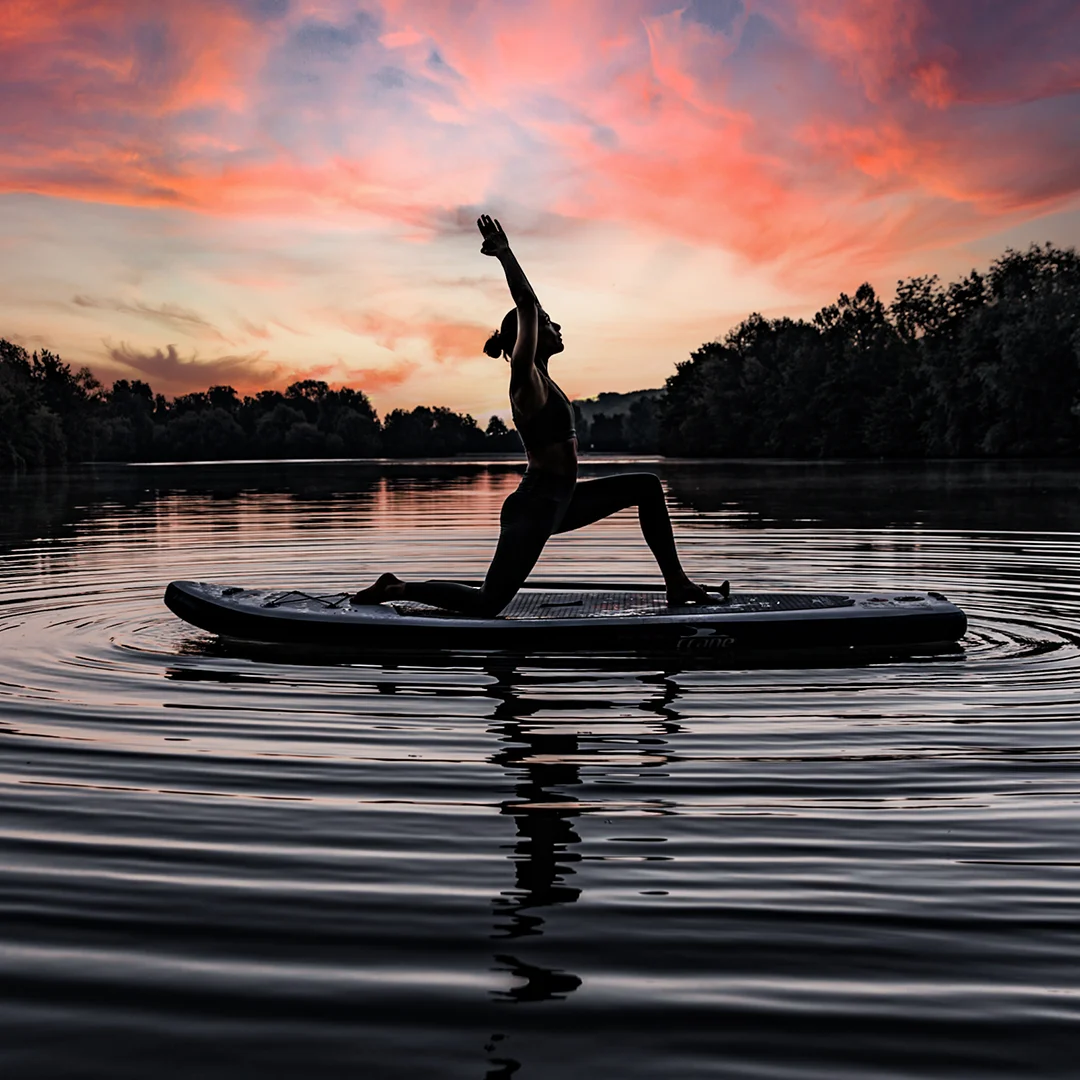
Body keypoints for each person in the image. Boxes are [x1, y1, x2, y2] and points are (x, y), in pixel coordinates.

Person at [351, 214, 727, 616]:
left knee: (647, 487)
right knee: (486, 604)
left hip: (563, 500)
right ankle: (396, 586)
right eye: (547, 323)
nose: (556, 325)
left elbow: (532, 309)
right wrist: (505, 254)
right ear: (526, 339)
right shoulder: (525, 381)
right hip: (535, 507)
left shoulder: (546, 380)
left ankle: (677, 584)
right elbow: (527, 304)